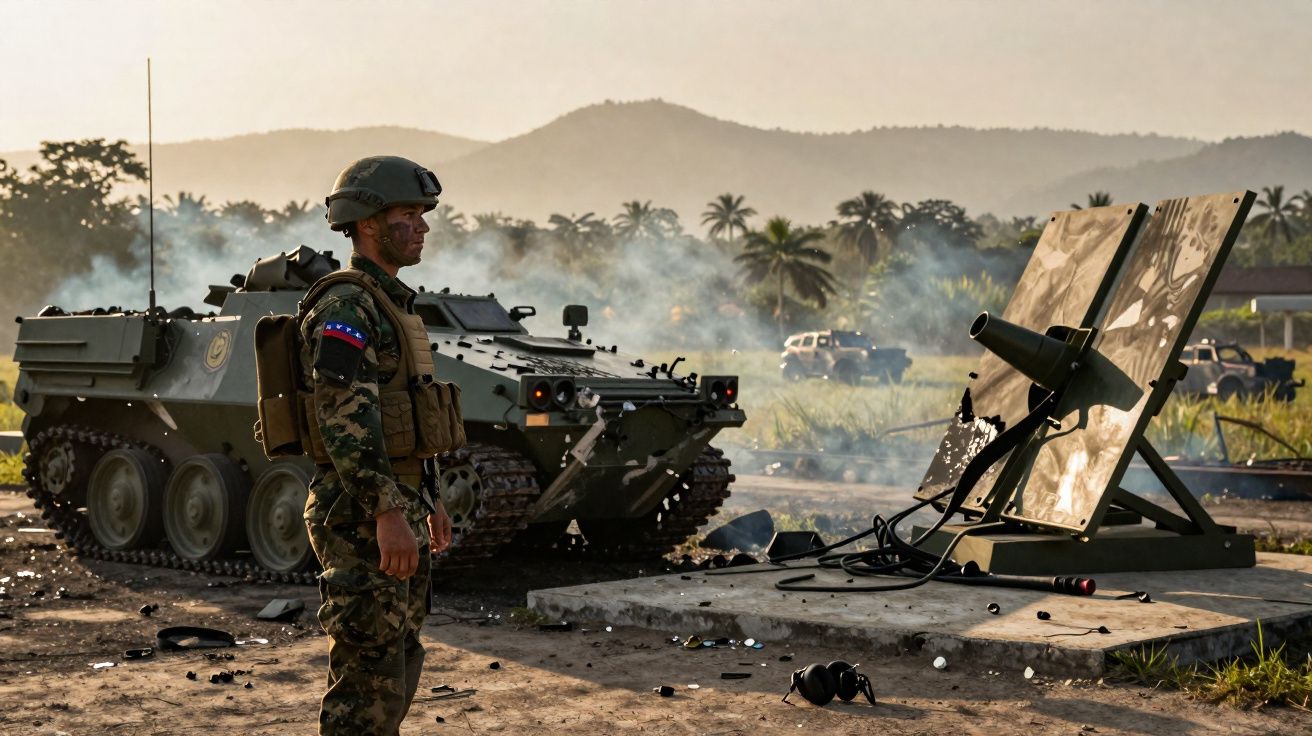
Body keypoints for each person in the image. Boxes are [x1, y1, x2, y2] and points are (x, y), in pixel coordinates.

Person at [300, 155, 454, 735]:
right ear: (368, 223)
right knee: (368, 669)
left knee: (397, 661)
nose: (422, 226)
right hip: (362, 511)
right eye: (408, 214)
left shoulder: (390, 303)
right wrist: (387, 508)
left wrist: (428, 496)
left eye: (422, 214)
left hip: (400, 502)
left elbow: (406, 414)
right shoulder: (347, 305)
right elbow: (343, 415)